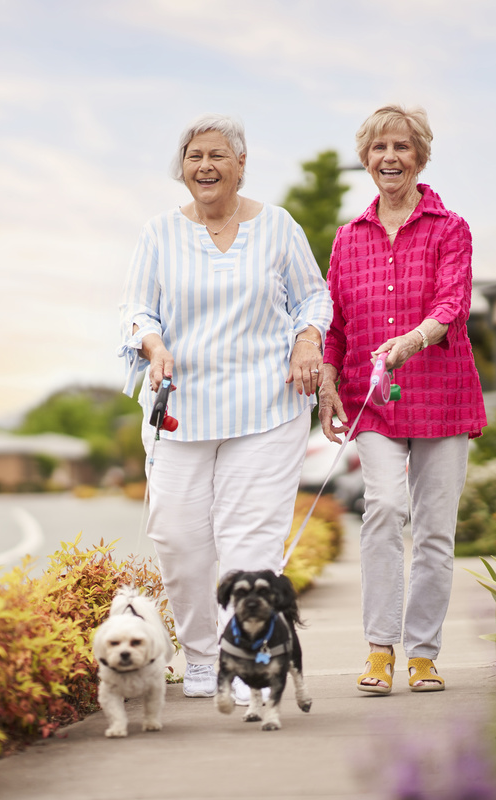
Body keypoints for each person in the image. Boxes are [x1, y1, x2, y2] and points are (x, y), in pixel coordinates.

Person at [118, 113, 331, 702]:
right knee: (178, 538)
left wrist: (307, 340)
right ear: (181, 169)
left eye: (217, 156)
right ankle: (200, 653)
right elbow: (137, 308)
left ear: (241, 165)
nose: (205, 166)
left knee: (250, 542)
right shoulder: (158, 232)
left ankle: (246, 659)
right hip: (182, 405)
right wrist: (152, 343)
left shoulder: (279, 226)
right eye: (194, 157)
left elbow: (313, 295)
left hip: (266, 403)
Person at [317, 105, 486, 694]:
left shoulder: (450, 228)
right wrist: (328, 383)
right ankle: (379, 650)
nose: (390, 158)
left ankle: (422, 655)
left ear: (420, 156)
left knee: (436, 531)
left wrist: (413, 340)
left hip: (443, 395)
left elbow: (452, 305)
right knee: (385, 509)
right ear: (366, 158)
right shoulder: (347, 238)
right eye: (379, 148)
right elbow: (335, 324)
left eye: (402, 148)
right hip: (377, 403)